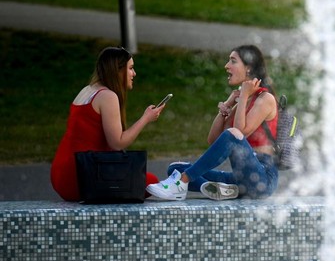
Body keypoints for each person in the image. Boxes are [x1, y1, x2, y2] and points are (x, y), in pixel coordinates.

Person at [146, 45, 279, 201]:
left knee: (232, 135)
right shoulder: (245, 100)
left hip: (262, 180)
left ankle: (182, 182)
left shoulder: (265, 99)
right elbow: (214, 140)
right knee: (175, 168)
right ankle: (227, 190)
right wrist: (227, 106)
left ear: (248, 68)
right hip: (240, 180)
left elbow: (238, 133)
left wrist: (242, 96)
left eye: (233, 61)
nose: (226, 66)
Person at [51, 46, 165, 202]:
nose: (134, 74)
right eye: (130, 68)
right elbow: (117, 143)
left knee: (142, 179)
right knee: (151, 182)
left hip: (61, 173)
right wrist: (145, 118)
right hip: (81, 178)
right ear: (117, 71)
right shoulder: (107, 96)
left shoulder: (88, 90)